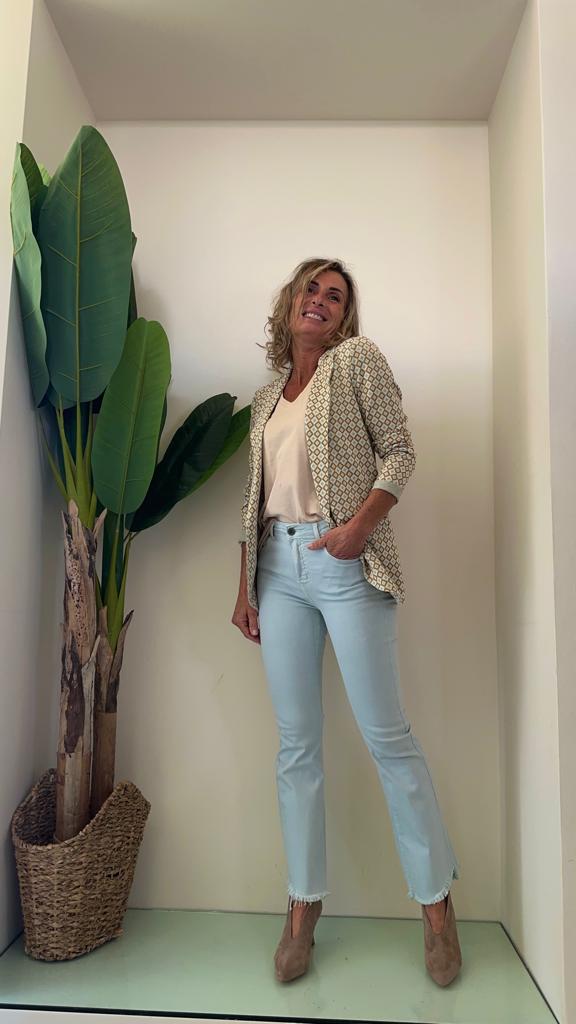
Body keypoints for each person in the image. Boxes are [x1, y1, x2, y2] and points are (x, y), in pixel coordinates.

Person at [232, 258, 462, 986]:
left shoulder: (356, 361)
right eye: (312, 289)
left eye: (335, 296)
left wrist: (359, 528)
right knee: (296, 747)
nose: (321, 301)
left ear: (344, 316)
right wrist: (245, 584)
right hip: (277, 570)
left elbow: (400, 452)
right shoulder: (266, 398)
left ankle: (436, 905)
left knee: (387, 738)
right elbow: (256, 497)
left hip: (345, 563)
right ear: (290, 302)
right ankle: (303, 906)